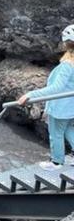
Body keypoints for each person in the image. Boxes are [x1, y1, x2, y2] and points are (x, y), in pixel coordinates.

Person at [17, 25, 74, 169]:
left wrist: (31, 94)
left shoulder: (68, 65)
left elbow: (57, 88)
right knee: (67, 130)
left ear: (66, 43)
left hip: (61, 107)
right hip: (70, 106)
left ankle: (56, 162)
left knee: (56, 134)